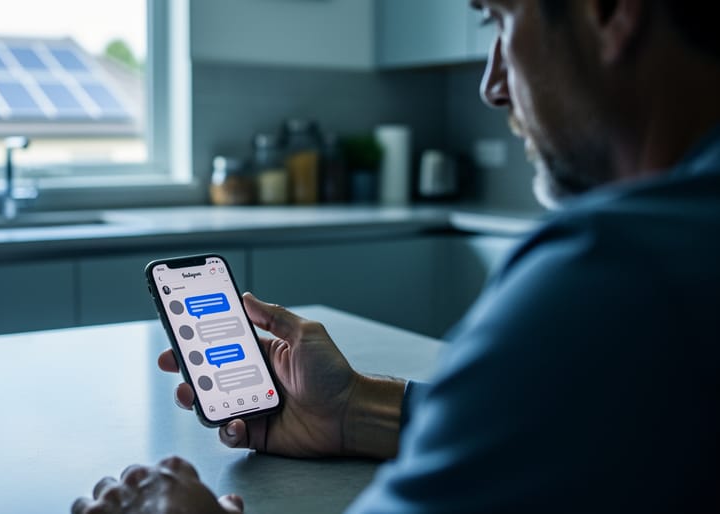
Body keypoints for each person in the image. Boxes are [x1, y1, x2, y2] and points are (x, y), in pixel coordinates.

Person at [72, 0, 720, 511]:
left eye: (499, 19)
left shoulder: (619, 271)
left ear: (608, 11)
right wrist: (355, 410)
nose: (492, 85)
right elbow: (594, 430)